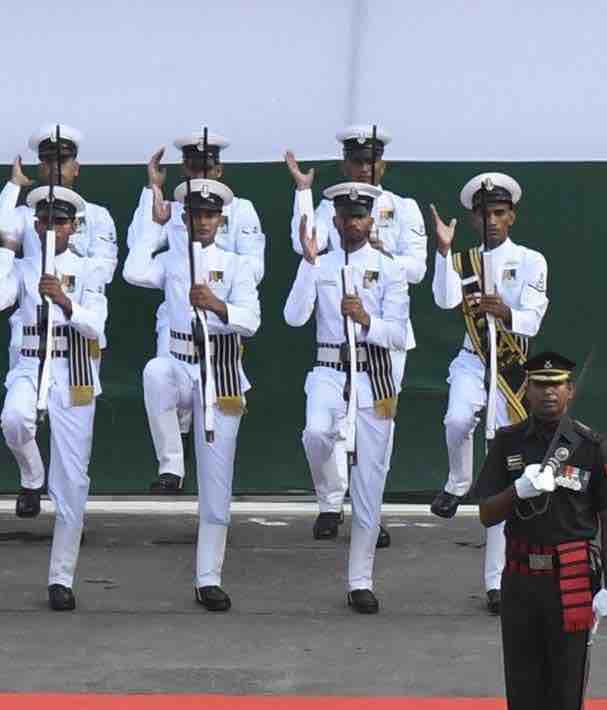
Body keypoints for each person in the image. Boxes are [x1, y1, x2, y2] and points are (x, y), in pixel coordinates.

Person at [473, 347, 607, 710]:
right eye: (540, 383)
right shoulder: (507, 442)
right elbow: (486, 513)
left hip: (572, 580)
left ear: (571, 391)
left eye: (558, 384)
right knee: (524, 684)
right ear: (527, 390)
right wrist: (519, 490)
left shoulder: (590, 446)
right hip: (520, 580)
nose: (549, 392)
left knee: (567, 687)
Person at [282, 123, 425, 535]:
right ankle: (330, 501)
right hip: (335, 340)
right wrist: (303, 193)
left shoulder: (405, 207)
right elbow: (306, 246)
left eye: (373, 160)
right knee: (321, 432)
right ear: (346, 163)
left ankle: (370, 513)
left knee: (374, 438)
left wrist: (381, 250)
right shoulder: (333, 207)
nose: (366, 168)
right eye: (358, 161)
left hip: (383, 341)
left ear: (385, 163)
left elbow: (416, 269)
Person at [286, 179, 415, 613]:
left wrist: (365, 320)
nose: (352, 223)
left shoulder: (391, 268)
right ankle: (330, 491)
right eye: (345, 216)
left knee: (371, 481)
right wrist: (307, 265)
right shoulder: (320, 263)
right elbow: (293, 317)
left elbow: (398, 334)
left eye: (360, 215)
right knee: (316, 434)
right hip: (327, 368)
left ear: (370, 218)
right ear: (336, 220)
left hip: (374, 372)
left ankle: (360, 580)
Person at [0, 186, 111, 609]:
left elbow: (97, 329)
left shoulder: (91, 269)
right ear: (35, 224)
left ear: (73, 226)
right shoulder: (22, 267)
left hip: (72, 369)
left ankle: (61, 578)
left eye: (61, 221)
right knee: (14, 421)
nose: (52, 228)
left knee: (73, 481)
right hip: (29, 362)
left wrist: (65, 301)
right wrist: (6, 251)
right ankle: (32, 478)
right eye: (45, 221)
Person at [430, 170, 548, 608]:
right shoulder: (464, 263)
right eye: (484, 214)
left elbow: (534, 318)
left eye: (499, 212)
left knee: (504, 470)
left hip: (514, 365)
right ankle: (458, 481)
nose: (492, 220)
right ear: (475, 219)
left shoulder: (533, 260)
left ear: (512, 216)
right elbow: (444, 300)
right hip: (472, 357)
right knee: (458, 419)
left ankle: (497, 583)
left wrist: (507, 311)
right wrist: (443, 251)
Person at [0, 125, 115, 521]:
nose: (56, 167)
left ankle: (67, 523)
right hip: (29, 337)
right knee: (16, 418)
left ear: (76, 166)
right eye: (48, 161)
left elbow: (103, 275)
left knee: (72, 454)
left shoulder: (96, 217)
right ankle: (32, 479)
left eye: (63, 160)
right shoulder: (26, 213)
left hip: (73, 347)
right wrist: (13, 189)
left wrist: (67, 292)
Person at [154, 178, 258, 609]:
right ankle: (171, 464)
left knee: (217, 485)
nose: (203, 222)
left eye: (211, 215)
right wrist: (151, 217)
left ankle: (208, 578)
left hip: (221, 370)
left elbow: (251, 321)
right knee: (153, 371)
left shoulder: (236, 265)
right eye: (196, 214)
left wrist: (216, 304)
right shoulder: (171, 258)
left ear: (221, 219)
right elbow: (132, 270)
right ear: (185, 217)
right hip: (178, 361)